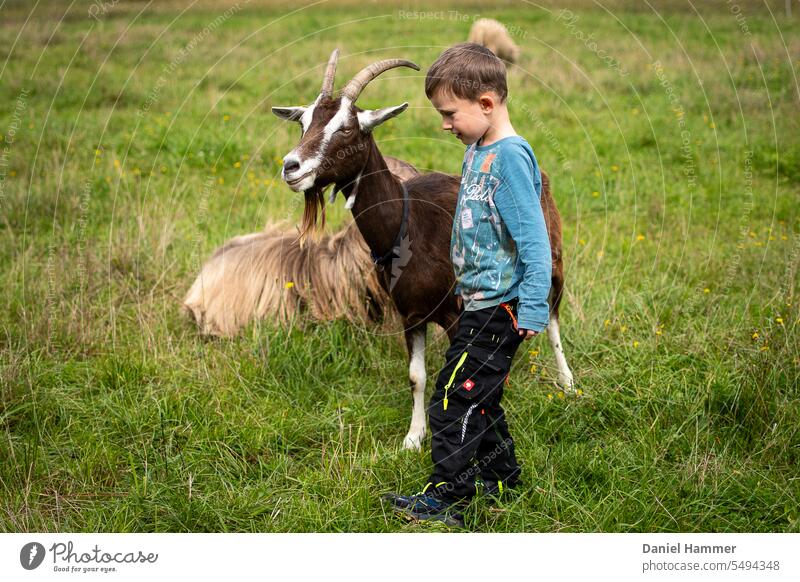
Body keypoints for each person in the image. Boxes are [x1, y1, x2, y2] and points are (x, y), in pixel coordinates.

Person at [381, 42, 552, 528]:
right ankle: (502, 479)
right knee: (482, 397)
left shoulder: (511, 159)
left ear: (486, 104)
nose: (444, 124)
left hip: (504, 308)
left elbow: (534, 243)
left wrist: (534, 308)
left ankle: (448, 498)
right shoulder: (478, 150)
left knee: (452, 398)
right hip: (478, 301)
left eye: (449, 113)